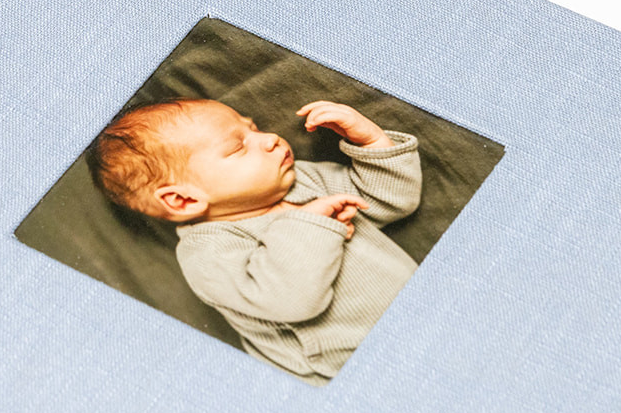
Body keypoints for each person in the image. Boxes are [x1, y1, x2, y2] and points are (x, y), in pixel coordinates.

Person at [88, 96, 422, 384]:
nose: (270, 139)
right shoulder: (206, 253)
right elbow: (291, 299)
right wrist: (311, 224)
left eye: (254, 128)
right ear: (184, 200)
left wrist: (372, 142)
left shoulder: (302, 180)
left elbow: (390, 202)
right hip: (342, 367)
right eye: (238, 147)